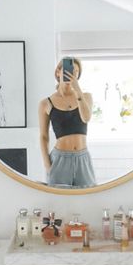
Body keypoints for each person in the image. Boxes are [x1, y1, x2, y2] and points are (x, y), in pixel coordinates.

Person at [38, 58, 96, 188]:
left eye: (76, 72)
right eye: (69, 70)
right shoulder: (45, 103)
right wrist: (48, 165)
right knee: (59, 203)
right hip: (59, 160)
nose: (72, 74)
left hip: (83, 159)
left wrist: (77, 89)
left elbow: (86, 118)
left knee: (88, 200)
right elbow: (43, 136)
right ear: (58, 72)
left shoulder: (86, 97)